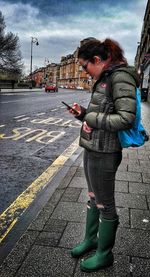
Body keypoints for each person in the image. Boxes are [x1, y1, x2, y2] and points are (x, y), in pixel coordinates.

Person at [69, 38, 139, 272]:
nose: (83, 71)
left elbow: (126, 118)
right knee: (92, 197)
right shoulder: (104, 77)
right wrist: (84, 114)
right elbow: (103, 113)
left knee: (104, 204)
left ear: (97, 60)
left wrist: (91, 118)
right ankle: (91, 240)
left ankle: (104, 254)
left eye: (84, 66)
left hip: (106, 152)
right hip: (92, 148)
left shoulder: (120, 77)